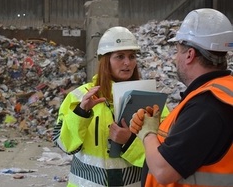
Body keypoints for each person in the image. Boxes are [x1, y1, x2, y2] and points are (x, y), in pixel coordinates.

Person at [53, 26, 169, 187]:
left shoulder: (151, 101)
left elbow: (165, 153)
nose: (127, 63)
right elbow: (64, 145)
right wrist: (81, 113)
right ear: (105, 60)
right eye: (119, 56)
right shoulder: (79, 97)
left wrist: (129, 141)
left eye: (132, 56)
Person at [130, 8, 233, 187]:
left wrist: (147, 133)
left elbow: (163, 171)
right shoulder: (221, 90)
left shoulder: (207, 106)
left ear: (190, 55)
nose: (175, 58)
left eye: (178, 51)